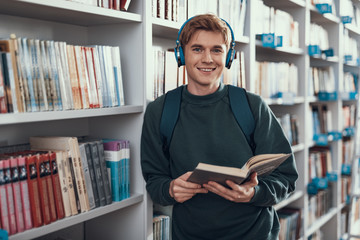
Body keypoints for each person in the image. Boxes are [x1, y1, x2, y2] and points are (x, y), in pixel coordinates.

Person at [141, 13, 298, 240]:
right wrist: (170, 189)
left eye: (216, 50)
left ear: (229, 56)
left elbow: (286, 177)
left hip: (254, 233)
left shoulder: (252, 106)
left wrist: (254, 193)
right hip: (189, 235)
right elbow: (154, 180)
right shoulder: (160, 110)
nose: (207, 59)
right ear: (181, 54)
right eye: (197, 49)